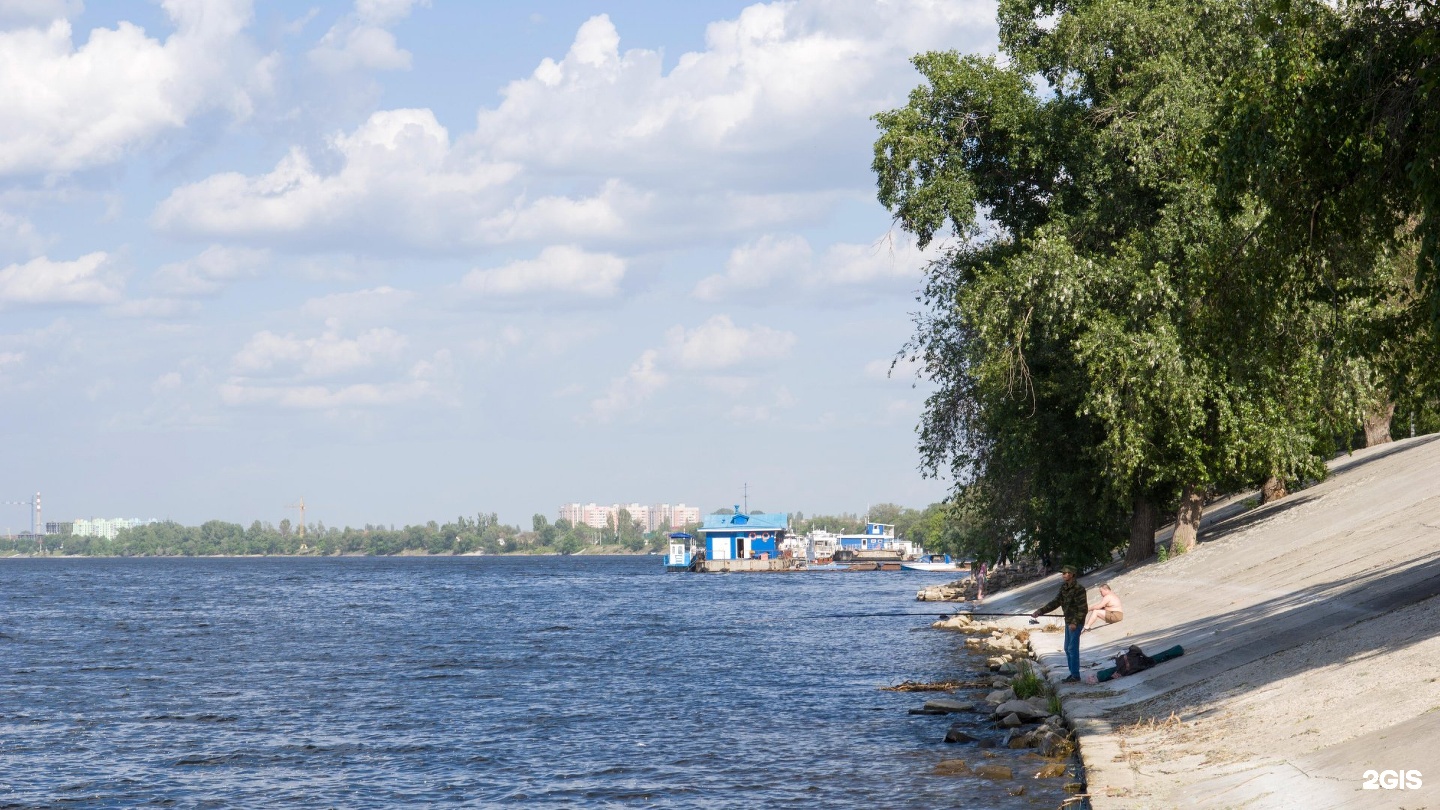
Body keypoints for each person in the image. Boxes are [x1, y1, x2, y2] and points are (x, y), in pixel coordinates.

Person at [1031, 565, 1088, 683]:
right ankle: (1072, 674)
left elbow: (1083, 609)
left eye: (1066, 573)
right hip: (1068, 622)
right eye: (1063, 573)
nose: (1063, 575)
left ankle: (1076, 675)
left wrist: (1075, 622)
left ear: (1072, 574)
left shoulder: (1079, 589)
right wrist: (1040, 611)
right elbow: (1055, 602)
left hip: (1075, 623)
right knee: (1067, 648)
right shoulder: (1064, 588)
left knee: (1072, 648)